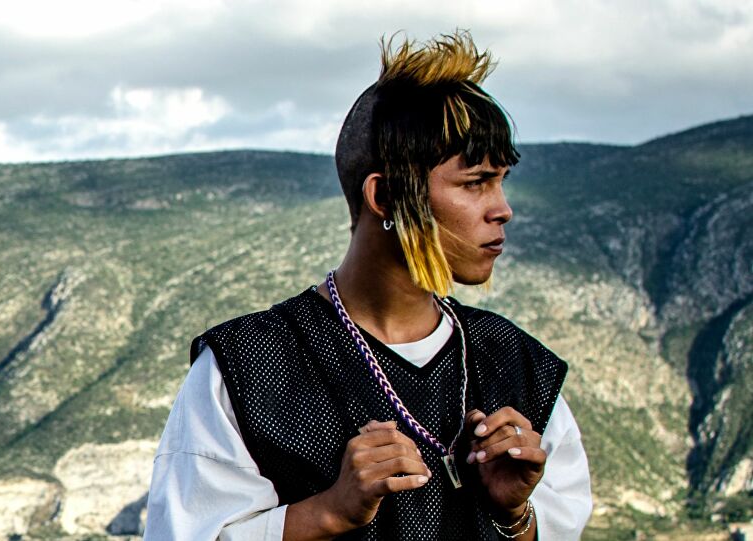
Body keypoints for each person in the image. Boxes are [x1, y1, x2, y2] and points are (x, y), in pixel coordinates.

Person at [145, 31, 592, 540]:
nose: (503, 209)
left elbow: (562, 525)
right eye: (475, 183)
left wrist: (515, 515)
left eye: (501, 181)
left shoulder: (518, 364)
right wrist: (330, 511)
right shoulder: (248, 367)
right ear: (385, 196)